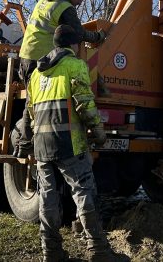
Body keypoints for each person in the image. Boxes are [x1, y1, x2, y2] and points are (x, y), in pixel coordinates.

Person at [26, 25, 112, 262]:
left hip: (42, 146)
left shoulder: (36, 74)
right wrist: (97, 131)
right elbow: (84, 103)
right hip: (69, 144)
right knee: (83, 191)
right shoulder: (75, 66)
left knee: (47, 195)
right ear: (75, 44)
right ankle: (98, 251)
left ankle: (51, 252)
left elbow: (32, 112)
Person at [13, 0, 106, 157]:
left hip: (27, 55)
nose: (79, 3)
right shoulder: (65, 7)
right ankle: (29, 144)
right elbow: (78, 33)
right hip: (41, 56)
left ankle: (26, 144)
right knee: (37, 103)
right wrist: (98, 36)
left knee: (34, 101)